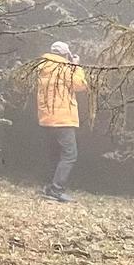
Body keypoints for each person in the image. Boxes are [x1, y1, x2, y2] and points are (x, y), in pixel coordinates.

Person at [36, 40, 87, 203]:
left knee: (54, 154)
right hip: (63, 118)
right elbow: (80, 85)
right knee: (69, 155)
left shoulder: (42, 68)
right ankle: (57, 190)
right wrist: (76, 65)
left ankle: (48, 187)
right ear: (66, 54)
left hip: (46, 118)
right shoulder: (65, 69)